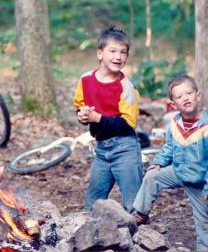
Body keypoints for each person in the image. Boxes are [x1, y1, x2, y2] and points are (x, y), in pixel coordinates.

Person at [133, 75, 208, 251]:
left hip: (200, 180)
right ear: (173, 104)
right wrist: (159, 162)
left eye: (188, 93)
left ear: (198, 95)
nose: (185, 98)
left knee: (204, 222)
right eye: (179, 96)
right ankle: (141, 213)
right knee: (152, 176)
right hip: (179, 171)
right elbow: (169, 146)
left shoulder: (206, 126)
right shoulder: (175, 123)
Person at [73, 26, 143, 212]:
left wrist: (98, 118)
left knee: (134, 205)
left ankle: (142, 238)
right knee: (92, 203)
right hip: (102, 150)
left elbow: (128, 124)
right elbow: (80, 105)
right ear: (100, 53)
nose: (118, 57)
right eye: (112, 51)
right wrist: (83, 115)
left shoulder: (125, 87)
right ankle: (92, 239)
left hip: (125, 149)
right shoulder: (86, 80)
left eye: (123, 52)